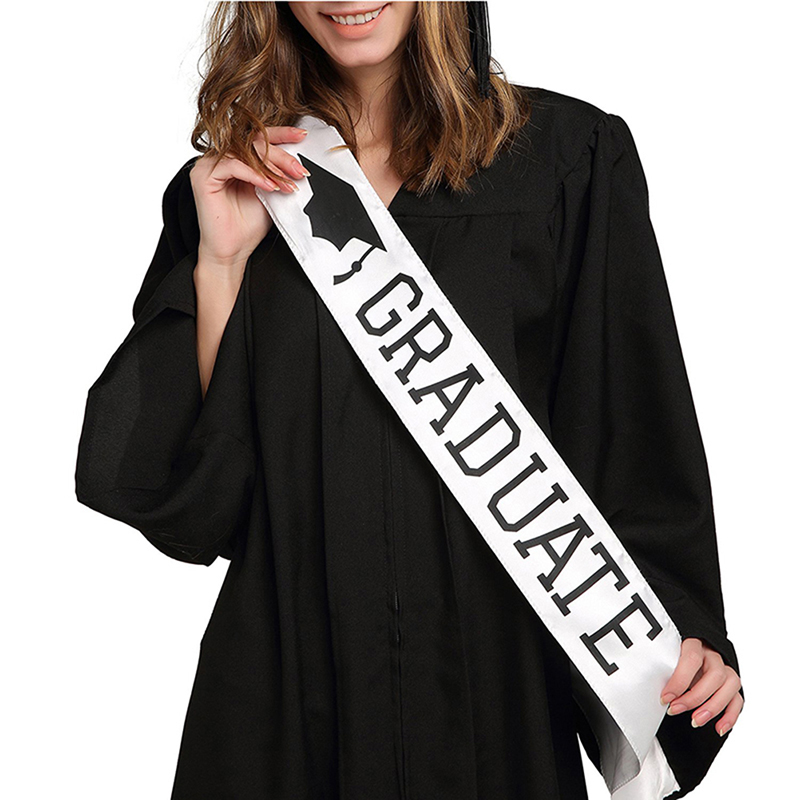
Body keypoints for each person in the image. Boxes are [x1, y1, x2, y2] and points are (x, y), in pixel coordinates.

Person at [75, 2, 743, 797]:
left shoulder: (565, 161)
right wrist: (219, 266)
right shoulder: (247, 183)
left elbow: (633, 428)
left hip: (493, 706)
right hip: (281, 715)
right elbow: (197, 507)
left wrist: (679, 631)